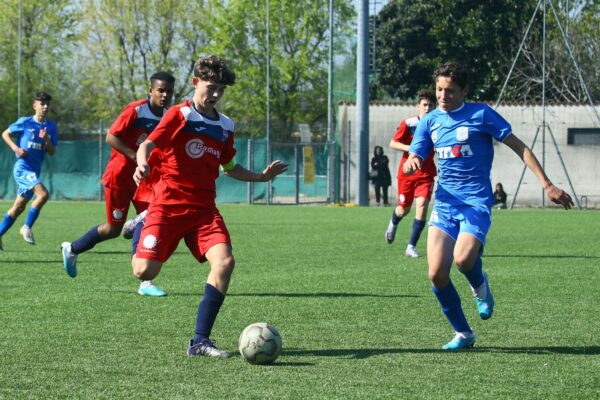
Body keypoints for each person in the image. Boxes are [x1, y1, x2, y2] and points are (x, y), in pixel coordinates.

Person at [403, 63, 573, 351]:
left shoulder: (481, 114)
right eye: (439, 89)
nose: (443, 96)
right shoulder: (430, 121)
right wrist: (411, 163)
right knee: (436, 274)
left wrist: (547, 185)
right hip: (444, 204)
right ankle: (463, 334)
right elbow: (413, 156)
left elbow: (520, 147)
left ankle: (480, 285)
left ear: (465, 91)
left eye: (450, 91)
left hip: (475, 202)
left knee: (463, 258)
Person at [130, 55, 287, 358]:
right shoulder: (179, 115)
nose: (215, 94)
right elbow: (147, 144)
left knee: (225, 263)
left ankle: (200, 340)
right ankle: (141, 223)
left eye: (221, 90)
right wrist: (141, 164)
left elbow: (229, 166)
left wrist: (261, 177)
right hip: (167, 207)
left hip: (203, 211)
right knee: (143, 270)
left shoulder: (225, 126)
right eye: (211, 87)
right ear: (195, 83)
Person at [61, 72, 175, 297]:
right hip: (120, 177)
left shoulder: (167, 117)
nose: (164, 95)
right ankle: (72, 248)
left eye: (169, 91)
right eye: (160, 90)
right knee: (113, 228)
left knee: (150, 220)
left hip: (144, 180)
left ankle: (145, 281)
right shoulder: (136, 110)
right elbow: (111, 137)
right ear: (151, 90)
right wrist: (136, 156)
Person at [0, 92, 58, 250]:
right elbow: (5, 133)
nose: (45, 106)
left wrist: (46, 139)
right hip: (23, 168)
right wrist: (16, 148)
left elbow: (52, 151)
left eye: (47, 104)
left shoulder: (51, 126)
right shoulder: (25, 122)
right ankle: (26, 227)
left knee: (19, 207)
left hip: (35, 170)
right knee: (43, 194)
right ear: (35, 105)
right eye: (42, 103)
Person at [385, 90, 436, 258]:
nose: (427, 108)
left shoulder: (439, 124)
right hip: (407, 173)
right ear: (418, 106)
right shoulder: (409, 123)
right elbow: (393, 143)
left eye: (430, 105)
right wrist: (413, 149)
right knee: (403, 209)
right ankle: (393, 222)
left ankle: (410, 247)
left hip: (426, 174)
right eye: (425, 105)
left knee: (422, 206)